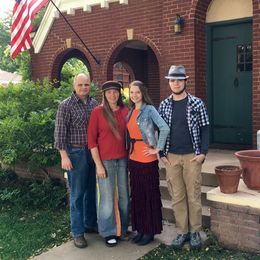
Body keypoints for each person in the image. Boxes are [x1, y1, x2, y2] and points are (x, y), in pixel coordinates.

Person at [158, 65, 210, 250]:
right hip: (171, 157)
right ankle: (182, 232)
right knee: (177, 195)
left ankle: (195, 231)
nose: (176, 83)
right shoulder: (164, 105)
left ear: (185, 81)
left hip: (192, 156)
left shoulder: (197, 103)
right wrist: (161, 153)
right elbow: (161, 131)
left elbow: (205, 129)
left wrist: (203, 153)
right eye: (172, 80)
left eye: (179, 79)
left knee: (193, 195)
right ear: (169, 82)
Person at [54, 73, 98, 248]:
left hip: (92, 153)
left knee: (90, 191)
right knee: (77, 194)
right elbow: (59, 134)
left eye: (86, 85)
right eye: (80, 85)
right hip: (75, 153)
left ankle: (89, 224)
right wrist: (64, 156)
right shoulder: (66, 106)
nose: (83, 88)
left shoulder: (94, 104)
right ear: (74, 86)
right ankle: (78, 232)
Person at [126, 80, 170, 246]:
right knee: (137, 196)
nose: (134, 95)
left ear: (143, 93)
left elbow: (164, 128)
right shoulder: (130, 111)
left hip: (147, 159)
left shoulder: (149, 109)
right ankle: (141, 229)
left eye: (137, 92)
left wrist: (157, 149)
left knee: (148, 195)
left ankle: (150, 231)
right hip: (133, 158)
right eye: (131, 92)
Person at [88, 81, 129, 247]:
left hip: (123, 159)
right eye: (109, 92)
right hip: (105, 161)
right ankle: (108, 231)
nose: (113, 95)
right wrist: (98, 165)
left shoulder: (126, 111)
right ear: (104, 94)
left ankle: (123, 228)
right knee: (107, 198)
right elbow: (91, 141)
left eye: (115, 92)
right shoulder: (97, 112)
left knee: (125, 196)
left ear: (119, 93)